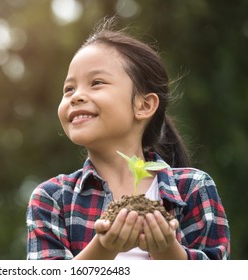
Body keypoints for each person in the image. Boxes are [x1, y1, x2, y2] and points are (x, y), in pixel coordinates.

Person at [26, 17, 230, 260]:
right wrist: (103, 248)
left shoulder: (193, 188)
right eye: (69, 88)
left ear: (144, 105)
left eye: (96, 83)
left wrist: (168, 251)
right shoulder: (52, 198)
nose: (76, 96)